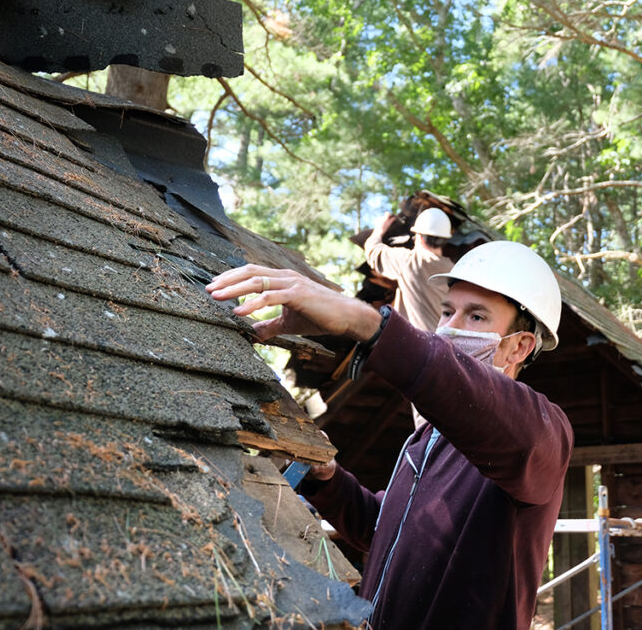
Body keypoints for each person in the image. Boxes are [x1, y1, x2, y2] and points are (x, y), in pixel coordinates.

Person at [206, 240, 573, 630]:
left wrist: (366, 323)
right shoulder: (426, 438)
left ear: (519, 347)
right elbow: (388, 532)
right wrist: (329, 480)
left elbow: (464, 391)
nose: (450, 326)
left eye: (477, 317)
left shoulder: (543, 436)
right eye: (447, 310)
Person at [364, 207, 454, 333]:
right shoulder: (454, 270)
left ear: (420, 238)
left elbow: (373, 251)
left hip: (414, 345)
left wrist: (378, 230)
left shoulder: (409, 261)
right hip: (443, 348)